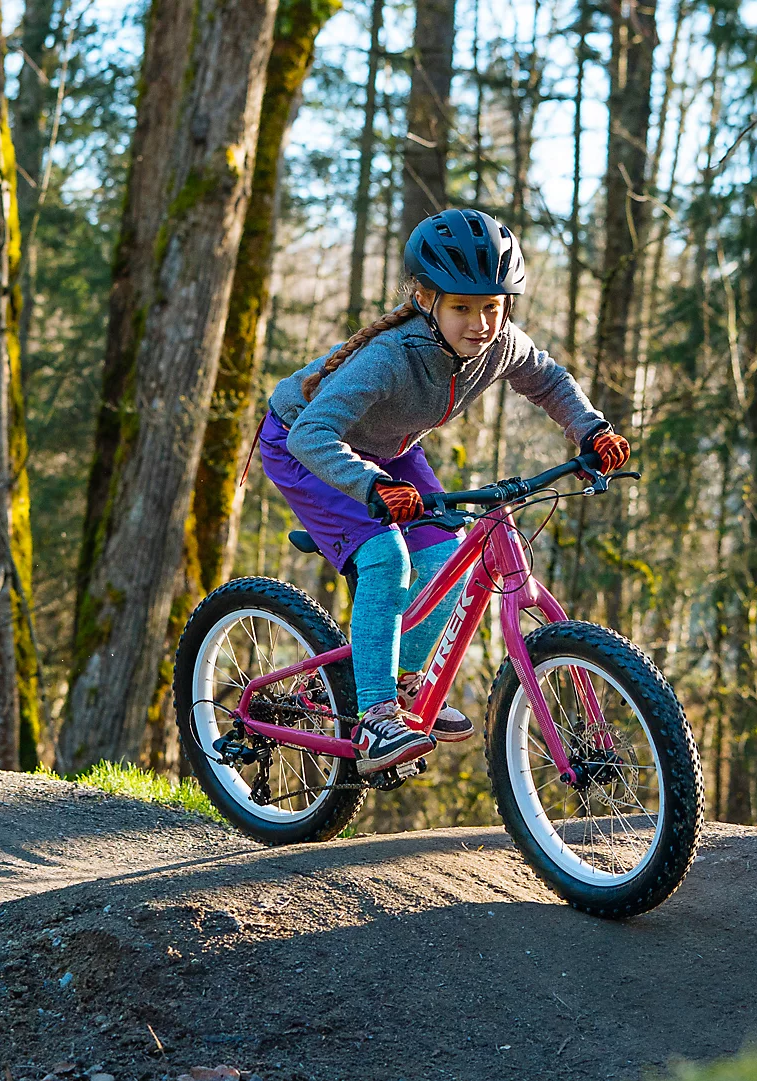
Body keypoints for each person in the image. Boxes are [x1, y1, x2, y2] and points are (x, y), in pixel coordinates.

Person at [258, 208, 630, 776]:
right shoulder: (388, 359)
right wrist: (370, 485)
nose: (480, 322)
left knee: (447, 553)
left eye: (492, 306)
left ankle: (402, 683)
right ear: (425, 299)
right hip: (306, 443)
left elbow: (549, 380)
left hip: (389, 447)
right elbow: (313, 432)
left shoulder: (500, 344)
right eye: (461, 307)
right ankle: (377, 712)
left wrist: (591, 429)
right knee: (385, 557)